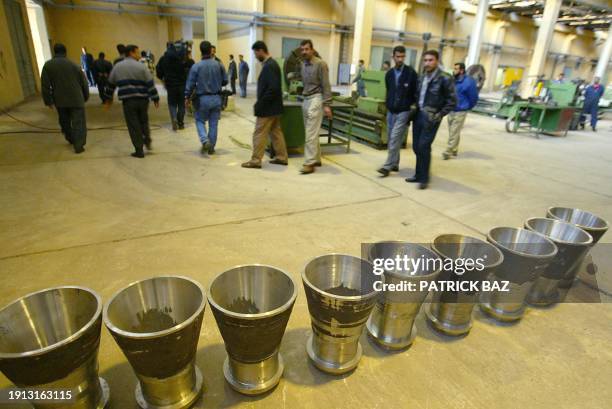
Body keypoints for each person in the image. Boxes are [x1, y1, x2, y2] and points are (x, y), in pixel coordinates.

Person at [407, 50, 456, 189]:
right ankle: (418, 174)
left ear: (437, 61)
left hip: (431, 118)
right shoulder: (422, 77)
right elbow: (417, 97)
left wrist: (439, 115)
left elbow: (452, 101)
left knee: (423, 146)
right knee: (416, 146)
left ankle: (424, 178)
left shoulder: (445, 78)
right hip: (418, 115)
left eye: (430, 60)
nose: (427, 63)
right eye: (425, 60)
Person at [105, 44, 160, 158]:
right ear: (131, 53)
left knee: (133, 124)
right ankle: (147, 140)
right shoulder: (142, 67)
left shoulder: (117, 67)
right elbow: (150, 83)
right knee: (144, 121)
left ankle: (139, 150)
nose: (139, 55)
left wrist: (108, 98)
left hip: (128, 101)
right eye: (137, 52)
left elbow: (110, 84)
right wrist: (155, 98)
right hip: (143, 100)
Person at [242, 41, 288, 169]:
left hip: (268, 108)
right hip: (274, 108)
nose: (255, 56)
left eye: (255, 53)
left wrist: (260, 104)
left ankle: (256, 160)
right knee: (275, 132)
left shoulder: (269, 65)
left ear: (261, 50)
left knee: (259, 133)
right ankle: (281, 157)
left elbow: (272, 89)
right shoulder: (271, 64)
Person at [376, 46, 418, 177]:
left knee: (394, 138)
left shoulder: (411, 73)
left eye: (402, 57)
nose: (400, 59)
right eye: (398, 56)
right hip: (391, 111)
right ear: (393, 57)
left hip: (404, 111)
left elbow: (416, 93)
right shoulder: (389, 74)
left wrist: (412, 111)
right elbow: (389, 91)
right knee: (391, 138)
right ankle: (395, 163)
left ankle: (387, 166)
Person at [41, 43, 89, 154]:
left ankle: (71, 138)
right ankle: (79, 145)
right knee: (79, 122)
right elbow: (84, 83)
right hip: (76, 99)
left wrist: (48, 101)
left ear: (54, 51)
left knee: (64, 121)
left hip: (60, 100)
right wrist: (85, 96)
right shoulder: (74, 65)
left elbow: (45, 84)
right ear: (65, 52)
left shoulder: (48, 65)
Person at [185, 41, 227, 155]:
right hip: (217, 98)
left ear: (200, 51)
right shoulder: (219, 65)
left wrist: (187, 97)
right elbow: (225, 80)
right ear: (210, 50)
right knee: (213, 124)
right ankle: (211, 147)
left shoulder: (196, 66)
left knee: (199, 120)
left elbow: (190, 84)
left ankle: (204, 140)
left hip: (202, 99)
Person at [298, 39, 332, 175]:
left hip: (317, 98)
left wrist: (327, 104)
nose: (304, 52)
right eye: (302, 49)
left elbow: (326, 85)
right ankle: (316, 159)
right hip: (306, 99)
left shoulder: (321, 64)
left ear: (312, 50)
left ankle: (309, 162)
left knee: (310, 134)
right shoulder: (303, 65)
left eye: (307, 49)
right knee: (311, 132)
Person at [442, 62, 478, 160]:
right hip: (452, 109)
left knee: (454, 130)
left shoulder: (469, 82)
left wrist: (467, 107)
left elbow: (473, 97)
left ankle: (448, 151)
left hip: (461, 110)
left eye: (456, 69)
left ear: (461, 70)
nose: (454, 71)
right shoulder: (454, 80)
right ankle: (454, 149)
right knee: (453, 131)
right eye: (454, 69)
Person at [156, 43, 187, 130]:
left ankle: (173, 118)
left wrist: (162, 77)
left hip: (170, 85)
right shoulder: (182, 58)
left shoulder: (163, 58)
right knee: (181, 104)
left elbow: (158, 71)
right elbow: (188, 69)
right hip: (182, 84)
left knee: (172, 103)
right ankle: (180, 122)